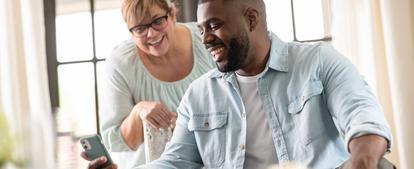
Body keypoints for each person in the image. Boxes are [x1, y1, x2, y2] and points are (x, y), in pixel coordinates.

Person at [84, 0, 393, 168]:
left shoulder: (318, 61)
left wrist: (363, 162)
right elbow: (176, 162)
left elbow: (363, 120)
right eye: (202, 28)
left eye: (214, 26)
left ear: (252, 19)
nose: (205, 39)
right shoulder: (200, 94)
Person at [95, 0, 215, 168]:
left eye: (158, 21)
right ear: (131, 32)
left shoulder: (206, 39)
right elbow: (114, 141)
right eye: (140, 28)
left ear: (172, 14)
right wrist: (138, 112)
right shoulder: (121, 63)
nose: (151, 34)